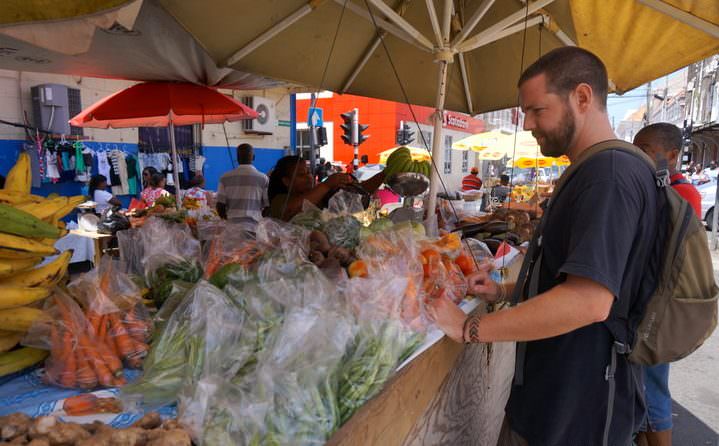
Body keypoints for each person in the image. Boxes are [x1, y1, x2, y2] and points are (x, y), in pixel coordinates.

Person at [427, 46, 661, 446]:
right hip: (554, 399)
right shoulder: (594, 169)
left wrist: (470, 327)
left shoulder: (609, 176)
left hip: (577, 412)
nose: (528, 124)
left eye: (537, 110)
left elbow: (588, 301)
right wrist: (503, 290)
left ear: (582, 98)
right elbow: (573, 276)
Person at [632, 123, 701, 446]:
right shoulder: (660, 187)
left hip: (660, 310)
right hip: (649, 304)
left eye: (644, 150)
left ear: (671, 156)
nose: (637, 156)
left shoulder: (681, 193)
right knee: (643, 388)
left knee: (652, 389)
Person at [267, 155, 384, 221]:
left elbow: (360, 194)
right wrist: (327, 184)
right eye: (301, 175)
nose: (308, 177)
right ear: (286, 181)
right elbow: (291, 210)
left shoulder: (322, 195)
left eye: (308, 172)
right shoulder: (280, 201)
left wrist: (385, 174)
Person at [216, 143, 269, 223]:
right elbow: (267, 206)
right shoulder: (263, 178)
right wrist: (260, 220)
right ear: (253, 157)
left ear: (237, 158)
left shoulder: (224, 178)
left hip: (232, 226)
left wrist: (228, 220)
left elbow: (220, 206)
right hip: (254, 226)